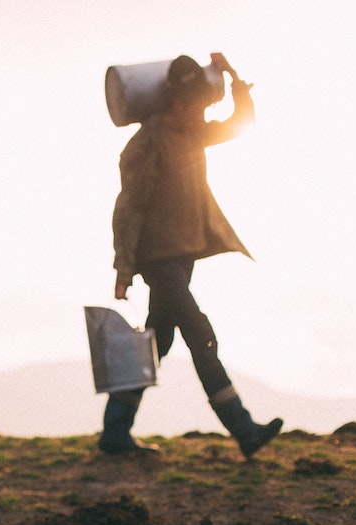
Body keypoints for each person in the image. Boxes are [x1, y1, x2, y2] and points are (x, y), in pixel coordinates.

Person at [100, 53, 282, 459]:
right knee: (200, 332)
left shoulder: (193, 133)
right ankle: (242, 427)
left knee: (158, 342)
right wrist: (124, 269)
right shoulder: (145, 145)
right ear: (174, 104)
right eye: (194, 106)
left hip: (183, 255)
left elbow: (241, 124)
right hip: (157, 259)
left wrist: (235, 80)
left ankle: (114, 432)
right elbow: (127, 211)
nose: (201, 113)